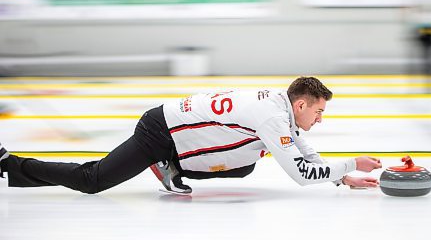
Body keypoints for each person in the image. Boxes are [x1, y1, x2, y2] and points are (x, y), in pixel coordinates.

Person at [0, 77, 382, 195]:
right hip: (158, 131)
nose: (320, 119)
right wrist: (349, 164)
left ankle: (172, 166)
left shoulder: (278, 106)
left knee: (247, 163)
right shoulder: (272, 118)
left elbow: (302, 148)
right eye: (318, 111)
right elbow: (299, 172)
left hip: (176, 136)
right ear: (301, 105)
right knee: (93, 180)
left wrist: (341, 176)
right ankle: (9, 165)